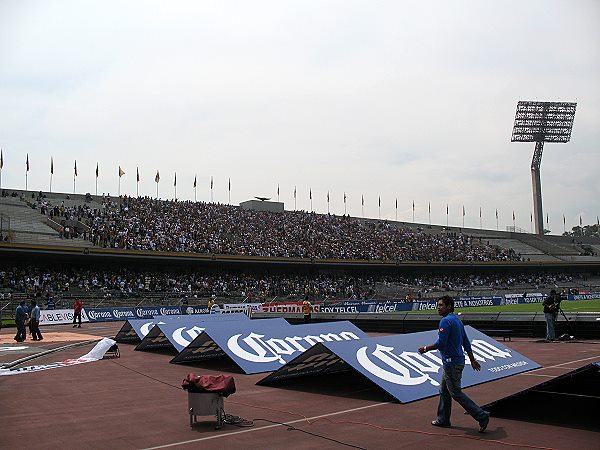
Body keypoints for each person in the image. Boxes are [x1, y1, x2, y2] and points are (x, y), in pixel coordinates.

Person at [418, 295, 490, 433]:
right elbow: (466, 341)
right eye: (437, 305)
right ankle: (443, 419)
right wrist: (472, 359)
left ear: (449, 307)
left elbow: (441, 343)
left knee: (455, 393)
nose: (437, 308)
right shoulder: (457, 320)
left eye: (440, 305)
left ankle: (481, 416)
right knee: (444, 391)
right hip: (456, 361)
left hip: (451, 363)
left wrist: (425, 349)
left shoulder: (445, 322)